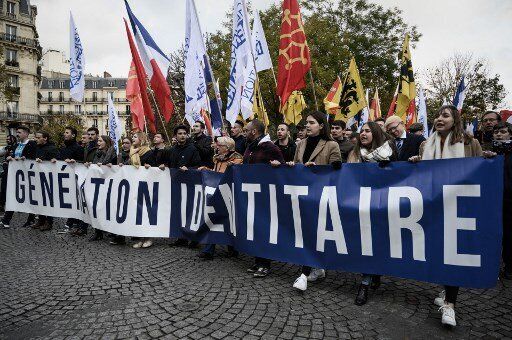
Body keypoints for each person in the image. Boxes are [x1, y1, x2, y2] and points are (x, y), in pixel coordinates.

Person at [409, 104, 483, 327]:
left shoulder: (470, 143)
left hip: (459, 205)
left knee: (453, 251)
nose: (439, 119)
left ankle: (450, 305)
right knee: (438, 250)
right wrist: (416, 163)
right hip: (432, 205)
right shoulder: (425, 144)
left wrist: (486, 160)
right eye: (438, 115)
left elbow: (479, 172)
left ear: (455, 120)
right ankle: (445, 290)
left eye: (445, 115)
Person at [282, 111, 341, 291]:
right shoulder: (301, 144)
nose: (307, 125)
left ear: (321, 125)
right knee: (307, 233)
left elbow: (338, 168)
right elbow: (297, 165)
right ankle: (317, 268)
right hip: (303, 195)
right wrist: (293, 166)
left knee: (314, 233)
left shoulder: (332, 145)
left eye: (311, 122)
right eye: (306, 122)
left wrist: (318, 169)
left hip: (320, 195)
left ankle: (303, 274)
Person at [348, 122, 398, 305]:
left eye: (367, 130)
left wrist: (389, 167)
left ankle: (365, 284)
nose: (363, 133)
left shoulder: (388, 152)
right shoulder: (355, 154)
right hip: (361, 205)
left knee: (375, 242)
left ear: (375, 133)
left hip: (382, 206)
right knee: (365, 244)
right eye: (361, 131)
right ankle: (370, 276)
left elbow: (401, 177)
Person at [244, 119, 284, 278]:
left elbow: (282, 168)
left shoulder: (270, 147)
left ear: (254, 132)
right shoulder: (250, 147)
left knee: (264, 229)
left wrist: (278, 165)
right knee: (255, 229)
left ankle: (265, 264)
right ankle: (257, 260)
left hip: (265, 196)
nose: (245, 133)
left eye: (247, 130)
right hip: (251, 194)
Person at [197, 136, 243, 260]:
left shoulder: (237, 159)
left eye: (220, 145)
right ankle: (208, 250)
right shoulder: (217, 158)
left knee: (230, 221)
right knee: (212, 219)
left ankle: (232, 248)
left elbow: (233, 174)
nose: (217, 147)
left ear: (227, 148)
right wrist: (207, 170)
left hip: (229, 192)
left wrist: (231, 166)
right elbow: (215, 172)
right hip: (217, 191)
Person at [167, 125, 202, 247]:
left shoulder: (193, 149)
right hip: (177, 185)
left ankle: (194, 238)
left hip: (190, 185)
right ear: (175, 136)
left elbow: (199, 166)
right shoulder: (172, 150)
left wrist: (189, 169)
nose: (182, 135)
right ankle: (181, 237)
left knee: (191, 212)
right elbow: (169, 165)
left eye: (184, 133)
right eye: (179, 133)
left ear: (187, 135)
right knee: (179, 211)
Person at [121, 132, 157, 248]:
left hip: (147, 185)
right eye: (133, 137)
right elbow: (129, 165)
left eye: (135, 137)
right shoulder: (132, 151)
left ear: (141, 139)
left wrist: (149, 167)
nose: (133, 138)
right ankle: (141, 237)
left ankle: (149, 237)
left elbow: (154, 167)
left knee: (146, 212)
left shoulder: (149, 152)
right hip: (134, 184)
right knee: (138, 212)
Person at [0, 125, 37, 229]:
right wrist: (9, 158)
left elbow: (34, 158)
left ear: (26, 133)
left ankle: (31, 219)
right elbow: (12, 156)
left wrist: (26, 158)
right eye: (17, 132)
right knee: (12, 196)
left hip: (27, 175)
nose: (17, 134)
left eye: (19, 132)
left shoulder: (32, 144)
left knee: (30, 197)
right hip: (16, 176)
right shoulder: (17, 145)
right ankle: (6, 220)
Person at [85, 135, 118, 241]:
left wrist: (108, 166)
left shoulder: (113, 153)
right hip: (98, 184)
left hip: (109, 185)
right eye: (98, 141)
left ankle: (111, 231)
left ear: (106, 142)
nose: (98, 143)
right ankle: (98, 232)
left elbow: (116, 167)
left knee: (108, 209)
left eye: (100, 141)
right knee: (96, 208)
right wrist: (90, 165)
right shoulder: (96, 153)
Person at [52, 126, 84, 234]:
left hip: (74, 179)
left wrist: (74, 161)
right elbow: (60, 160)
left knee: (74, 200)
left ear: (73, 135)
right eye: (64, 132)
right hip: (64, 179)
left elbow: (81, 163)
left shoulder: (78, 148)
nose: (64, 134)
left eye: (67, 132)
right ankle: (72, 222)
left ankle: (70, 223)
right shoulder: (63, 148)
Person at [490, 122, 512, 279]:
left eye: (503, 132)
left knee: (509, 235)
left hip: (509, 200)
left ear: (510, 134)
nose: (498, 134)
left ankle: (509, 267)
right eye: (496, 132)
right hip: (493, 200)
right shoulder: (490, 152)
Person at [32, 131, 59, 231]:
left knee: (48, 201)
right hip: (38, 177)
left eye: (38, 137)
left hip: (49, 179)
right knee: (40, 200)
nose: (36, 139)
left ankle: (49, 222)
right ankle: (41, 220)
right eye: (36, 137)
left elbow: (56, 161)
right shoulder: (37, 148)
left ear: (45, 138)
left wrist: (46, 160)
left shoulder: (52, 148)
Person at [0, 135, 17, 214]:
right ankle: (1, 204)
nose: (7, 140)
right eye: (6, 139)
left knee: (14, 187)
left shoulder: (17, 147)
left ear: (13, 139)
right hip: (6, 170)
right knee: (3, 187)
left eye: (9, 139)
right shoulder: (6, 148)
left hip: (14, 170)